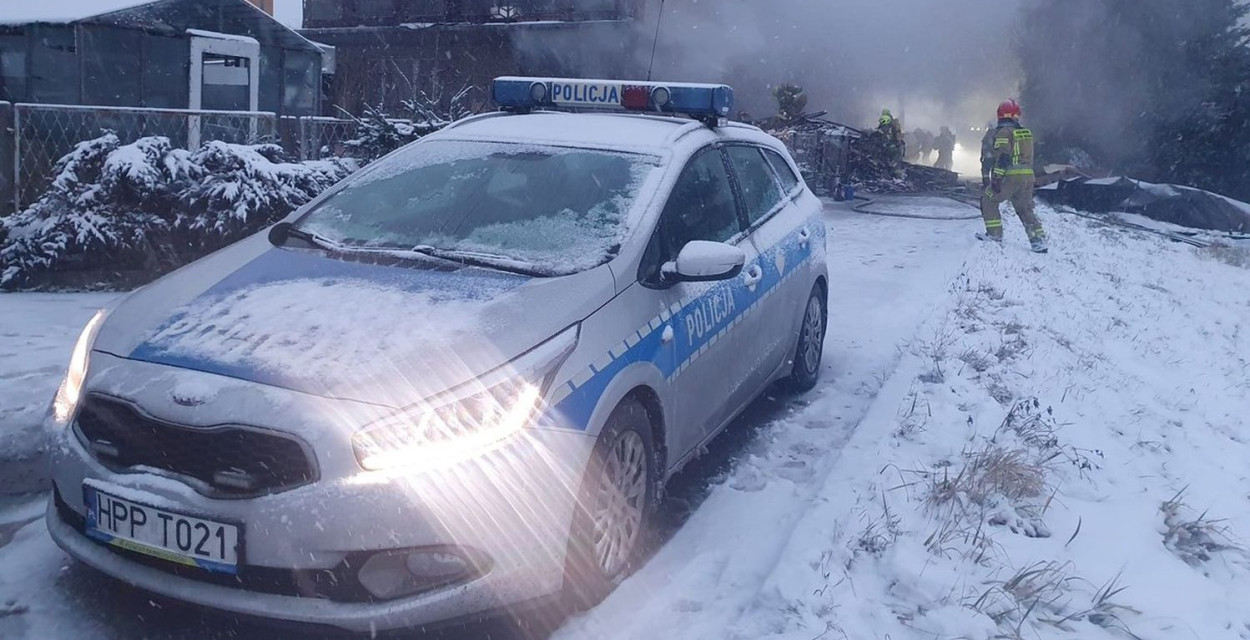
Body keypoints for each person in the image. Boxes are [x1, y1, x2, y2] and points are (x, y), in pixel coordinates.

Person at [979, 99, 1047, 253]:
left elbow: (1003, 157)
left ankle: (994, 235)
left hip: (1011, 177)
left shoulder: (1004, 132)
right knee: (1025, 209)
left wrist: (996, 179)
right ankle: (1039, 242)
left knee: (988, 198)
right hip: (1028, 177)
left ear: (1000, 115)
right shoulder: (1026, 133)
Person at [877, 109, 905, 178]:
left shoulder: (891, 124)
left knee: (895, 155)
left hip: (892, 145)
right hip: (891, 144)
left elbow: (894, 136)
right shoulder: (890, 122)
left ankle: (895, 172)